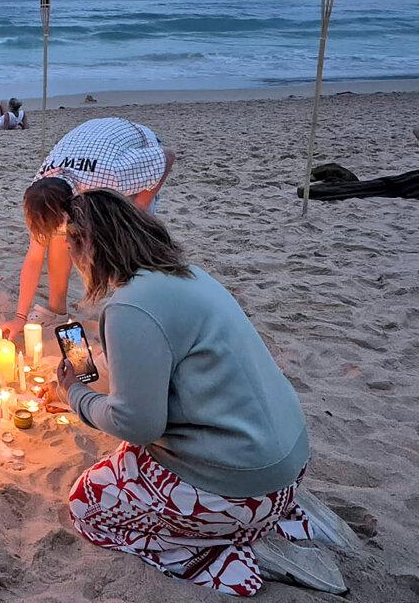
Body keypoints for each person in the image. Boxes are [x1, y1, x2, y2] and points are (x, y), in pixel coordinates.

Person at [43, 189, 322, 597]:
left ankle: (207, 554)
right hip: (288, 467)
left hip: (239, 490)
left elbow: (137, 425)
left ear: (89, 244)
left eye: (71, 246)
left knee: (88, 503)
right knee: (128, 461)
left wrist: (75, 395)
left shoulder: (129, 307)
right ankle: (265, 522)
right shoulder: (188, 274)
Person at [2, 117, 174, 337]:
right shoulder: (40, 194)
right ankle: (57, 310)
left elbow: (168, 157)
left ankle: (135, 312)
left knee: (129, 240)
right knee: (58, 237)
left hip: (135, 143)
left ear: (75, 206)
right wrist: (20, 317)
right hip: (88, 145)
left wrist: (137, 210)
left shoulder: (113, 177)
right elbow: (34, 257)